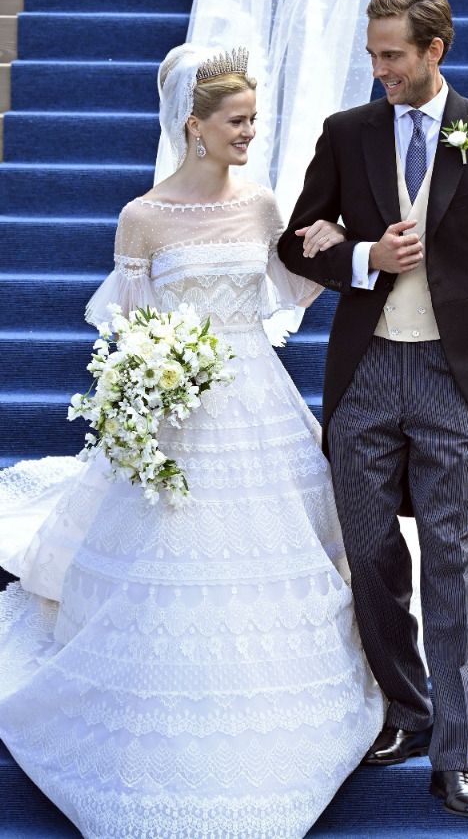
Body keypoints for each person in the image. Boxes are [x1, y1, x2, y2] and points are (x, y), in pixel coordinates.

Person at [0, 43, 384, 839]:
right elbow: (129, 324)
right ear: (194, 125)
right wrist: (152, 375)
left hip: (256, 397)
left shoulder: (262, 204)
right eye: (236, 121)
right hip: (177, 405)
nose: (249, 133)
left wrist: (335, 248)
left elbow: (286, 289)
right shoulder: (141, 217)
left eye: (253, 120)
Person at [278, 0, 468, 819]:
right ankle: (405, 711)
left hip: (452, 378)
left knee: (452, 563)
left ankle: (455, 754)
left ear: (434, 50)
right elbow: (296, 240)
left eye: (392, 55)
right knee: (369, 555)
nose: (379, 70)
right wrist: (362, 255)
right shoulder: (347, 133)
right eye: (373, 54)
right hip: (363, 374)